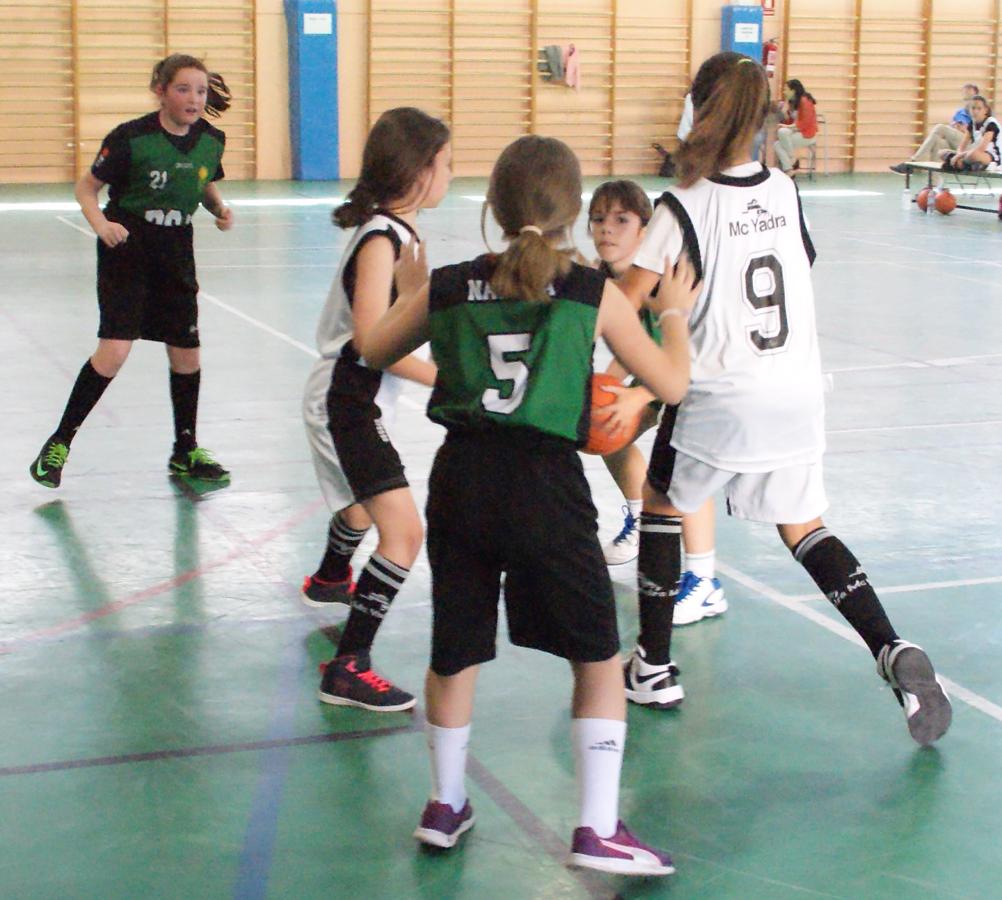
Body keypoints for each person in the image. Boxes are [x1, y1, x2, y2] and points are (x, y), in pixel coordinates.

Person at [361, 135, 693, 873]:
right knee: (599, 658)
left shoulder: (447, 285)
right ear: (575, 210)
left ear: (493, 207)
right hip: (546, 485)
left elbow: (375, 349)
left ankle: (445, 805)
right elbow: (670, 386)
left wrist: (412, 284)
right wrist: (672, 312)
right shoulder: (588, 292)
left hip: (462, 483)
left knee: (456, 649)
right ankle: (598, 827)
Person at [617, 52, 952, 748]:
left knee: (662, 505)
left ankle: (650, 665)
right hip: (797, 388)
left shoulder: (681, 207)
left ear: (699, 109)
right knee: (804, 527)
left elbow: (623, 307)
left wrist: (635, 355)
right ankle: (891, 649)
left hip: (721, 393)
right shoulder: (781, 189)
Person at [301, 107, 449, 712]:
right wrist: (444, 379)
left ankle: (332, 577)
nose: (449, 174)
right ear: (416, 171)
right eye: (443, 163)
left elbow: (404, 319)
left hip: (354, 398)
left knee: (362, 510)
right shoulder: (383, 238)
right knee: (405, 532)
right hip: (346, 400)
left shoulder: (400, 233)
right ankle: (348, 664)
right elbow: (370, 342)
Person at [29, 54, 234, 489]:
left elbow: (202, 180)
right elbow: (87, 187)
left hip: (176, 248)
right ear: (160, 91)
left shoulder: (211, 140)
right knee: (115, 350)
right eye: (183, 89)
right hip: (129, 247)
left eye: (200, 90)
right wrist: (101, 224)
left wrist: (218, 208)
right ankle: (59, 443)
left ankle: (185, 451)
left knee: (187, 353)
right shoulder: (131, 139)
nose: (194, 99)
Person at [588, 180, 727, 626]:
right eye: (598, 220)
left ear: (647, 232)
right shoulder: (604, 277)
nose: (607, 230)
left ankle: (704, 579)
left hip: (704, 379)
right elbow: (625, 349)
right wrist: (602, 395)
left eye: (621, 221)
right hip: (662, 379)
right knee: (602, 420)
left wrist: (638, 395)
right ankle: (635, 516)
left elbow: (688, 358)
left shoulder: (664, 279)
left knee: (685, 462)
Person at [890, 83, 978, 173]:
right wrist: (955, 127)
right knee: (937, 142)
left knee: (940, 128)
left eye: (970, 98)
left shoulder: (980, 112)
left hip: (971, 146)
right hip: (957, 144)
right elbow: (951, 132)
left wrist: (966, 130)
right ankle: (935, 184)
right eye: (965, 98)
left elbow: (983, 136)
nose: (968, 101)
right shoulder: (959, 113)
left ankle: (914, 162)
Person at [942, 94, 1000, 172]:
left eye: (979, 108)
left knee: (973, 154)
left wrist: (959, 156)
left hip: (992, 156)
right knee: (941, 153)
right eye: (973, 108)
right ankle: (965, 165)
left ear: (985, 110)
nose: (975, 111)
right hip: (974, 155)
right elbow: (962, 146)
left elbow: (981, 149)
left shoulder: (991, 124)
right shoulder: (972, 124)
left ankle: (960, 165)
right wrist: (959, 154)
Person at [774, 78, 817, 175]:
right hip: (797, 131)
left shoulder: (805, 100)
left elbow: (805, 123)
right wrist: (785, 111)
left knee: (780, 137)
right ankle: (789, 169)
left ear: (793, 90)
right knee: (778, 140)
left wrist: (788, 126)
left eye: (786, 89)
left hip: (807, 134)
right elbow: (789, 121)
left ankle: (791, 159)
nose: (784, 92)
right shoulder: (793, 102)